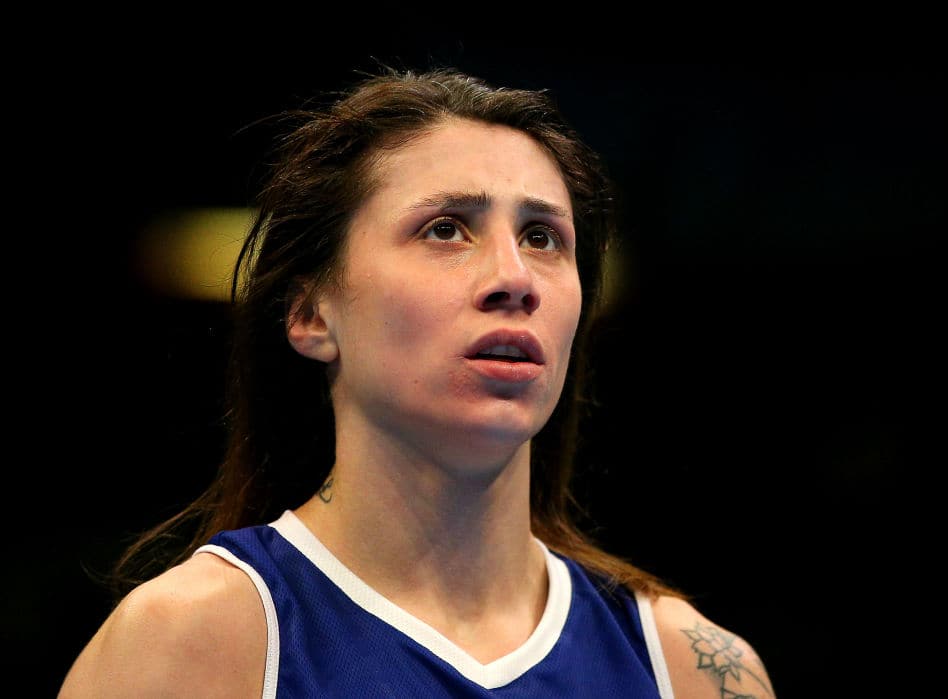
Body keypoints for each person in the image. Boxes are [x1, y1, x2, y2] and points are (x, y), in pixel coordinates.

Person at [59, 65, 776, 698]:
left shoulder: (693, 671)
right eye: (445, 229)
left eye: (543, 236)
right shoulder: (192, 643)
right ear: (311, 312)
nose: (514, 279)